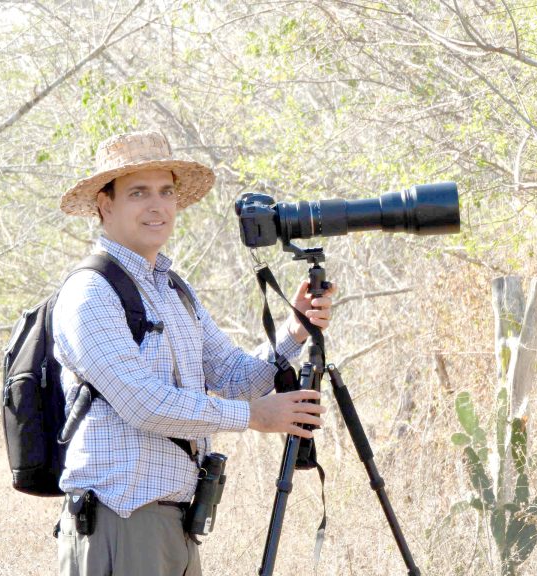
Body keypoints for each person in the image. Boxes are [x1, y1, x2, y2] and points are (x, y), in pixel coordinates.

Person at [54, 130, 335, 576]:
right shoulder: (90, 292)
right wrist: (254, 417)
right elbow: (142, 403)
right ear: (105, 205)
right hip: (120, 522)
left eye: (166, 192)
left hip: (174, 525)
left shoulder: (172, 289)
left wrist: (294, 331)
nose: (157, 206)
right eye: (138, 193)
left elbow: (236, 377)